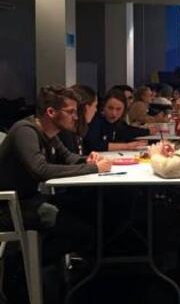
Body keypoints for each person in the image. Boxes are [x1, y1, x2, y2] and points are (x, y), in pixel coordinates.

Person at [0, 86, 111, 261]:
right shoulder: (25, 130)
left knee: (89, 209)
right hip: (9, 207)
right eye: (70, 112)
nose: (76, 117)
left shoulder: (49, 134)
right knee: (83, 232)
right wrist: (94, 168)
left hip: (29, 200)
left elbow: (68, 157)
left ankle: (47, 267)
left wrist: (88, 159)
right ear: (51, 112)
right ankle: (20, 264)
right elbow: (41, 170)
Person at [84, 89, 150, 152]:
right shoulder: (94, 120)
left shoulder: (119, 123)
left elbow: (129, 131)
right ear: (103, 106)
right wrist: (126, 146)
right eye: (110, 108)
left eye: (118, 109)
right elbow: (94, 145)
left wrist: (148, 131)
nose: (114, 113)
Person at [58, 85, 98, 155]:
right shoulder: (66, 132)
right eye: (95, 106)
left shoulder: (78, 129)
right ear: (86, 108)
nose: (96, 110)